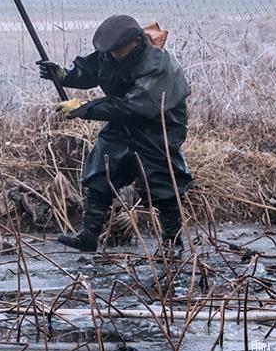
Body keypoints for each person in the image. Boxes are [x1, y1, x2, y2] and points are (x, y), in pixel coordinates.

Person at [37, 14, 192, 253]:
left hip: (158, 125)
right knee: (100, 169)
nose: (114, 55)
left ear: (136, 41)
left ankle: (172, 243)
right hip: (123, 123)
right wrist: (63, 75)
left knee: (162, 181)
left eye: (119, 50)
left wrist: (82, 108)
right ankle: (88, 236)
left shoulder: (157, 65)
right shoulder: (111, 53)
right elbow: (91, 70)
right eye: (111, 52)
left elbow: (133, 106)